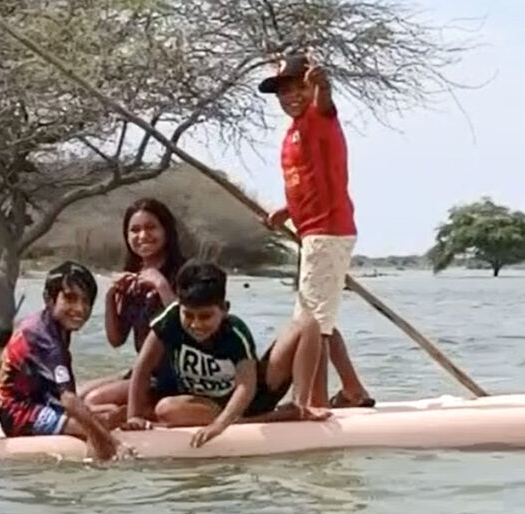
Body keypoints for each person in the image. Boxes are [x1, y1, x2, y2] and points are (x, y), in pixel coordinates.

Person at [258, 52, 375, 411]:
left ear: (309, 89)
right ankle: (353, 390)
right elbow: (312, 183)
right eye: (283, 92)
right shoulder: (292, 134)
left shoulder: (318, 117)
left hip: (328, 232)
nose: (290, 96)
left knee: (311, 326)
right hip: (313, 232)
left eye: (298, 88)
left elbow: (325, 102)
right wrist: (287, 211)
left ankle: (313, 402)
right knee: (320, 319)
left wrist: (322, 85)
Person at [122, 260, 329, 447]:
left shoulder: (235, 332)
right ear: (180, 307)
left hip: (253, 398)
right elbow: (143, 367)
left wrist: (219, 426)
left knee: (307, 324)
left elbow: (246, 386)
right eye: (189, 315)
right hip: (206, 405)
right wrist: (134, 417)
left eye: (205, 316)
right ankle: (272, 417)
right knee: (165, 409)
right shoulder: (171, 320)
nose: (196, 324)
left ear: (224, 309)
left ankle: (300, 406)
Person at [0, 261, 124, 461]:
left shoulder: (55, 326)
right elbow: (70, 400)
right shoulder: (43, 336)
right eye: (70, 299)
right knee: (100, 424)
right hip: (19, 414)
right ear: (49, 299)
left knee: (112, 412)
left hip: (40, 400)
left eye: (86, 301)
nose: (80, 309)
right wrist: (113, 444)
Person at [82, 198, 187, 412]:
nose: (143, 236)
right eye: (135, 230)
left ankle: (143, 417)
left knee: (94, 401)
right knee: (78, 394)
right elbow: (116, 340)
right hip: (142, 372)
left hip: (173, 376)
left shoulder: (186, 272)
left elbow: (188, 327)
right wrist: (111, 297)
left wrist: (161, 285)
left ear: (166, 230)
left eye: (151, 228)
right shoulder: (133, 277)